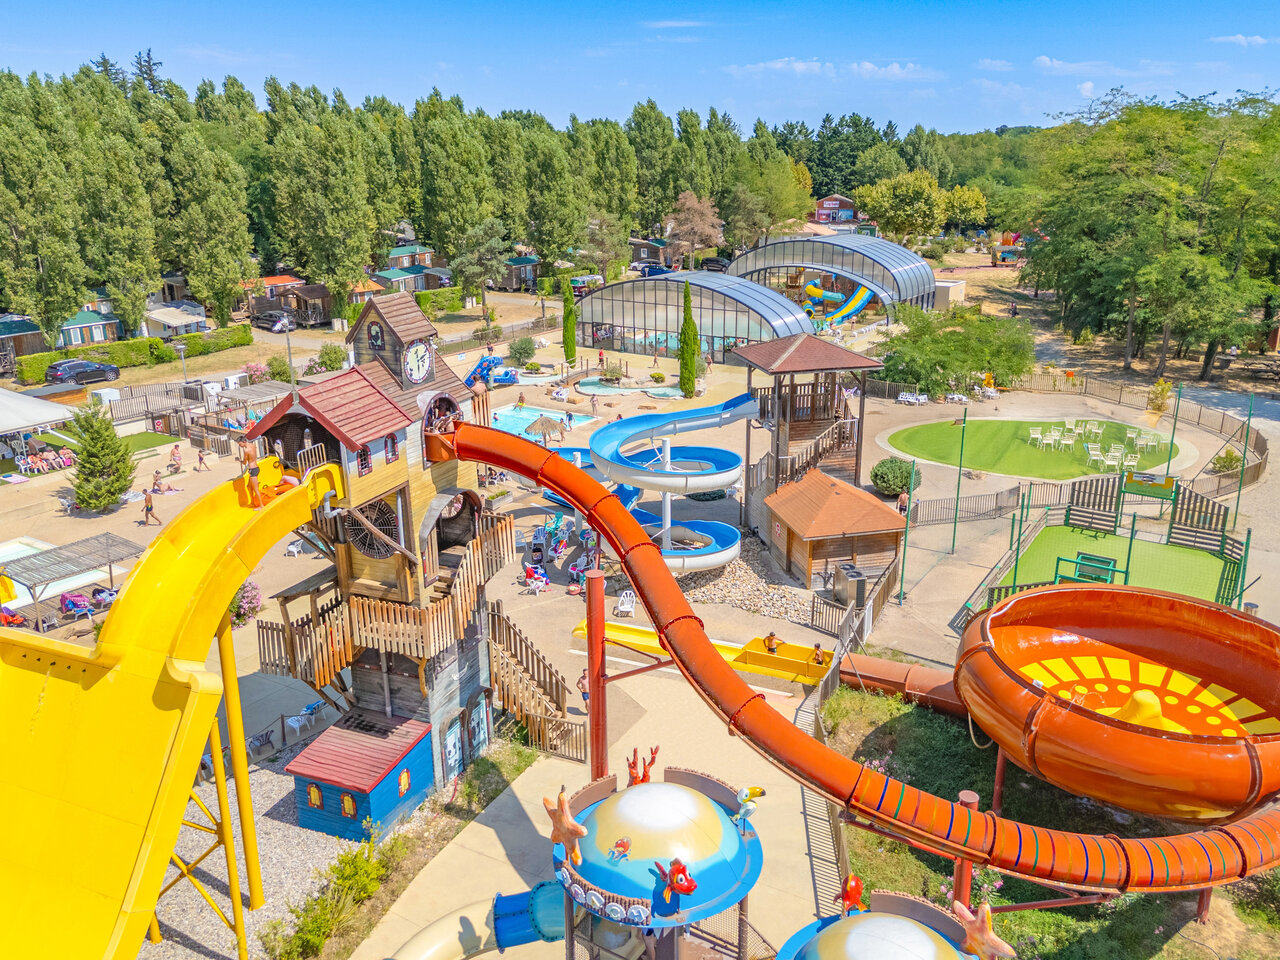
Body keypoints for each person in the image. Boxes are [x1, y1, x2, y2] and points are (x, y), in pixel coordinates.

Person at [238, 438, 263, 509]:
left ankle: (261, 505)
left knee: (255, 489)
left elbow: (244, 462)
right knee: (249, 487)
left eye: (240, 444)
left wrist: (239, 460)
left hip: (252, 469)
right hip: (256, 468)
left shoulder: (246, 450)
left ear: (244, 441)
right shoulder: (253, 445)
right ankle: (252, 502)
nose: (240, 446)